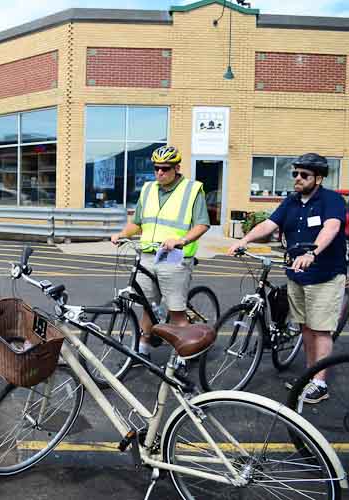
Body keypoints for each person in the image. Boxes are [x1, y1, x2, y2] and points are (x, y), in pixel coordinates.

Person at [228, 153, 346, 403]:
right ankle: (310, 375)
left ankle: (320, 384)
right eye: (295, 174)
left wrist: (313, 252)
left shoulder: (331, 200)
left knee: (321, 330)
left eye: (304, 175)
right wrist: (245, 239)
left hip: (325, 275)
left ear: (318, 178)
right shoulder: (291, 202)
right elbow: (269, 224)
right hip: (297, 274)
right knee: (305, 327)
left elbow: (332, 227)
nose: (298, 179)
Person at [110, 145, 210, 361]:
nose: (160, 173)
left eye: (165, 169)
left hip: (174, 257)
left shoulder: (192, 190)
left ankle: (183, 356)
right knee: (148, 305)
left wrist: (181, 240)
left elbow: (202, 225)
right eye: (156, 168)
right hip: (147, 255)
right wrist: (121, 234)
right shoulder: (148, 189)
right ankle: (143, 350)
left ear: (176, 168)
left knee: (176, 311)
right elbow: (137, 223)